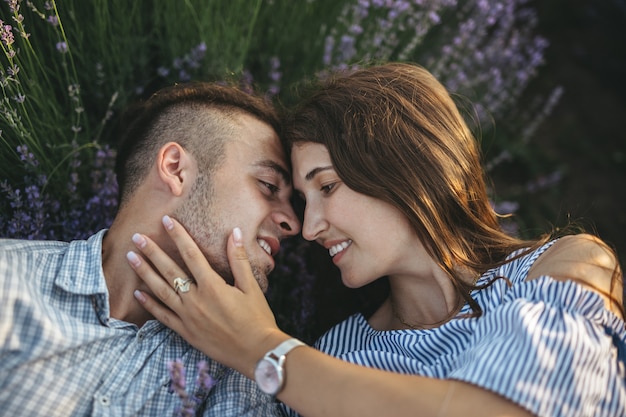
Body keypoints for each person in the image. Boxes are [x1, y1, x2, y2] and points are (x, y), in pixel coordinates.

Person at [127, 63, 626, 417]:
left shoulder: (565, 266)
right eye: (304, 201)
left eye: (326, 186)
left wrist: (262, 349)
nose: (309, 226)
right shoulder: (340, 351)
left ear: (404, 167)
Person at [0, 81, 301, 416]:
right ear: (175, 168)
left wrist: (264, 344)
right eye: (269, 186)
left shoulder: (236, 366)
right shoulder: (8, 280)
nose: (293, 223)